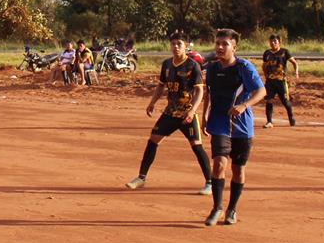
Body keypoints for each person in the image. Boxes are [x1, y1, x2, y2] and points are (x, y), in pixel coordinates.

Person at [126, 31, 212, 195]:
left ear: (186, 46)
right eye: (173, 44)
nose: (175, 47)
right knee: (153, 140)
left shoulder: (193, 65)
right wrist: (152, 102)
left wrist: (193, 110)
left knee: (197, 146)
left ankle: (209, 182)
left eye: (179, 44)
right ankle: (141, 178)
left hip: (187, 114)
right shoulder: (166, 64)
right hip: (170, 113)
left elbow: (200, 91)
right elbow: (161, 86)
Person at [202, 28, 266, 226]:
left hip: (242, 127)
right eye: (217, 44)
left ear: (234, 47)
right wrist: (204, 115)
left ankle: (232, 209)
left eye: (225, 44)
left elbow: (261, 91)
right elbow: (208, 93)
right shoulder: (212, 69)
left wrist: (244, 105)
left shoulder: (244, 68)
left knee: (238, 170)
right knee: (219, 164)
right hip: (219, 123)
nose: (220, 47)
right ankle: (217, 208)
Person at [262, 34, 299, 128]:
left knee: (285, 101)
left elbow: (294, 63)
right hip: (270, 81)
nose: (273, 43)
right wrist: (265, 75)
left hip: (281, 81)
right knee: (269, 100)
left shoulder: (284, 52)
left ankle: (291, 118)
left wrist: (296, 73)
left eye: (275, 41)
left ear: (279, 42)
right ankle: (269, 121)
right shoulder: (267, 53)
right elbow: (264, 65)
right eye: (271, 41)